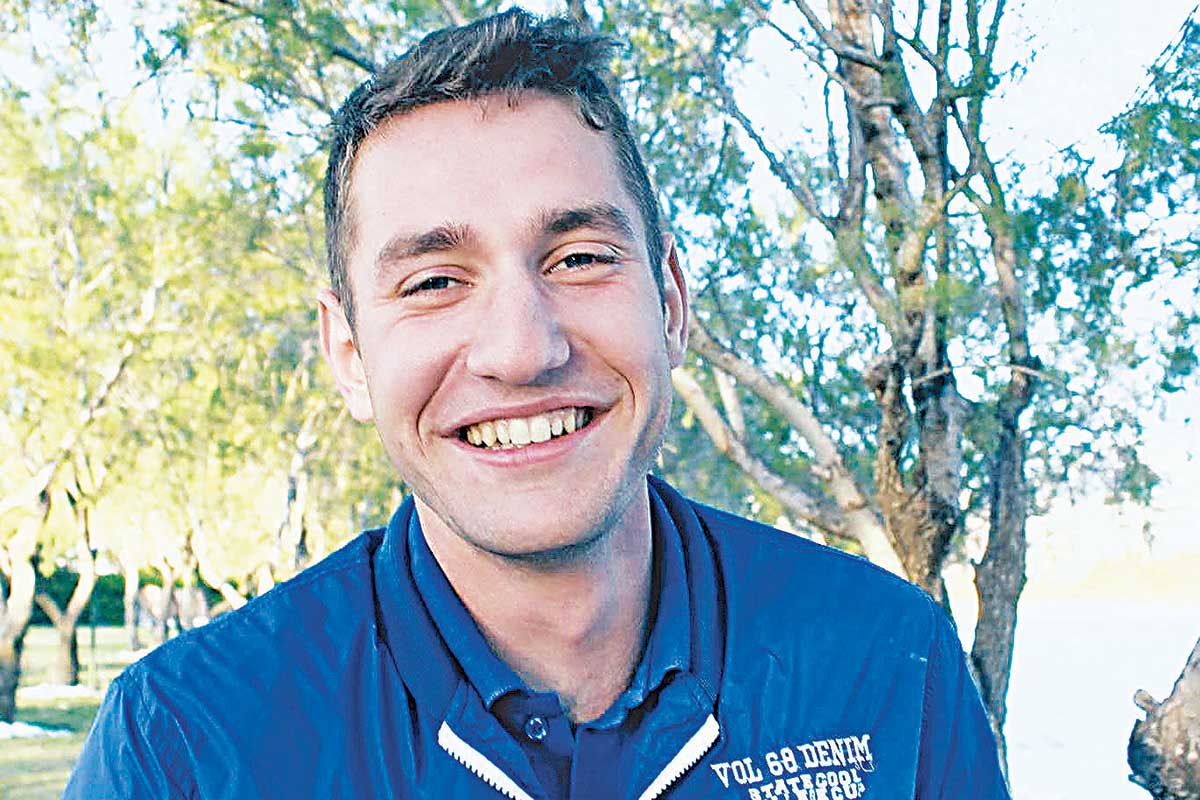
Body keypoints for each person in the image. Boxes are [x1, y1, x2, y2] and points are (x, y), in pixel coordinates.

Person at [65, 9, 1009, 799]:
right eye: (435, 282)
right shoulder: (186, 747)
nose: (523, 351)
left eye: (580, 259)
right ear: (349, 354)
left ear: (671, 304)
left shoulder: (888, 666)